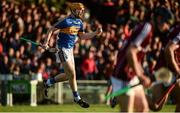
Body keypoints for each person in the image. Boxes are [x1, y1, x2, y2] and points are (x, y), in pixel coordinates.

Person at [110, 7, 174, 112]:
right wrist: (141, 76)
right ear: (159, 18)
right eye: (166, 23)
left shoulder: (149, 31)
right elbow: (130, 53)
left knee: (143, 109)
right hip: (123, 76)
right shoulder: (147, 28)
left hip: (131, 75)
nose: (167, 27)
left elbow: (135, 57)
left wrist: (141, 74)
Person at [42, 2, 102, 108]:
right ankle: (76, 97)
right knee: (72, 74)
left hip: (70, 50)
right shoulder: (66, 21)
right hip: (61, 49)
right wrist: (46, 43)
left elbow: (83, 36)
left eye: (82, 10)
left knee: (68, 76)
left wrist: (95, 33)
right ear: (74, 10)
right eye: (80, 10)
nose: (82, 12)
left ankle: (48, 82)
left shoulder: (79, 22)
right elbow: (51, 29)